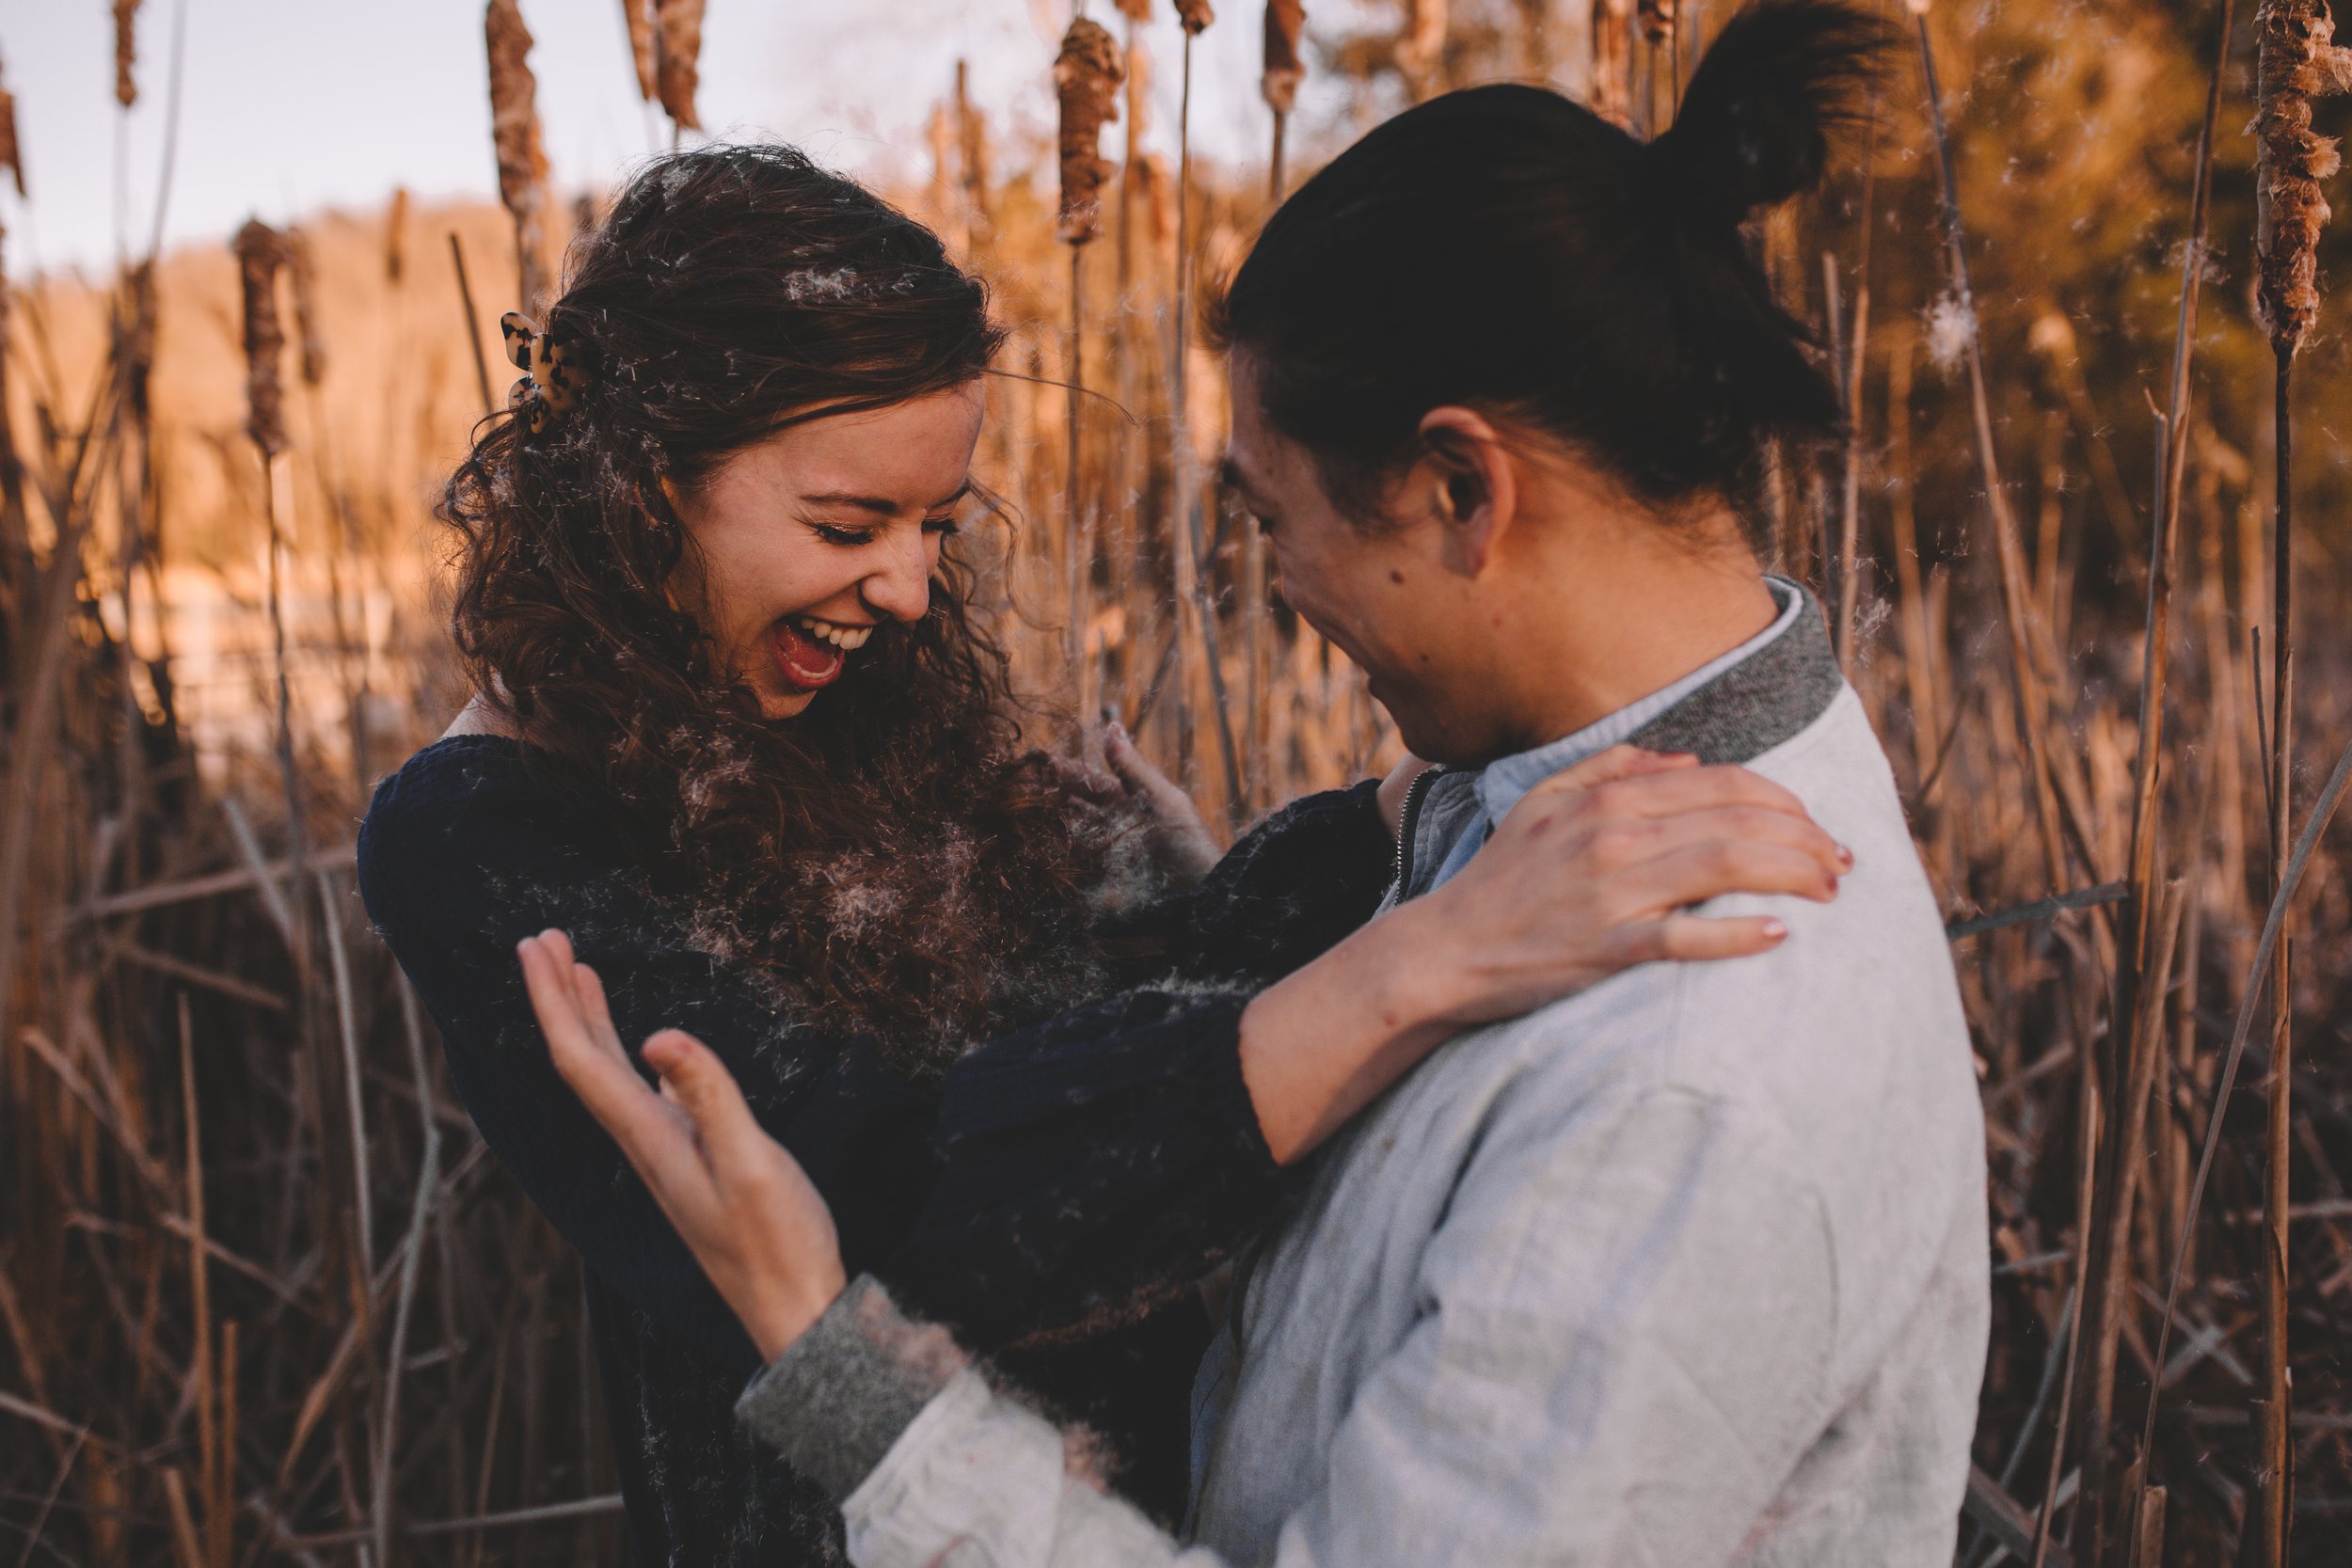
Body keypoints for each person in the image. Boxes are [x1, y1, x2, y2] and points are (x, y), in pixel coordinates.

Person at [526, 4, 1990, 1565]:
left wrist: (836, 1369)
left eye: (1267, 514)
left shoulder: (1682, 1084)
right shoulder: (1603, 809)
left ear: (1459, 489)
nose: (1278, 583)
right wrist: (1221, 917)